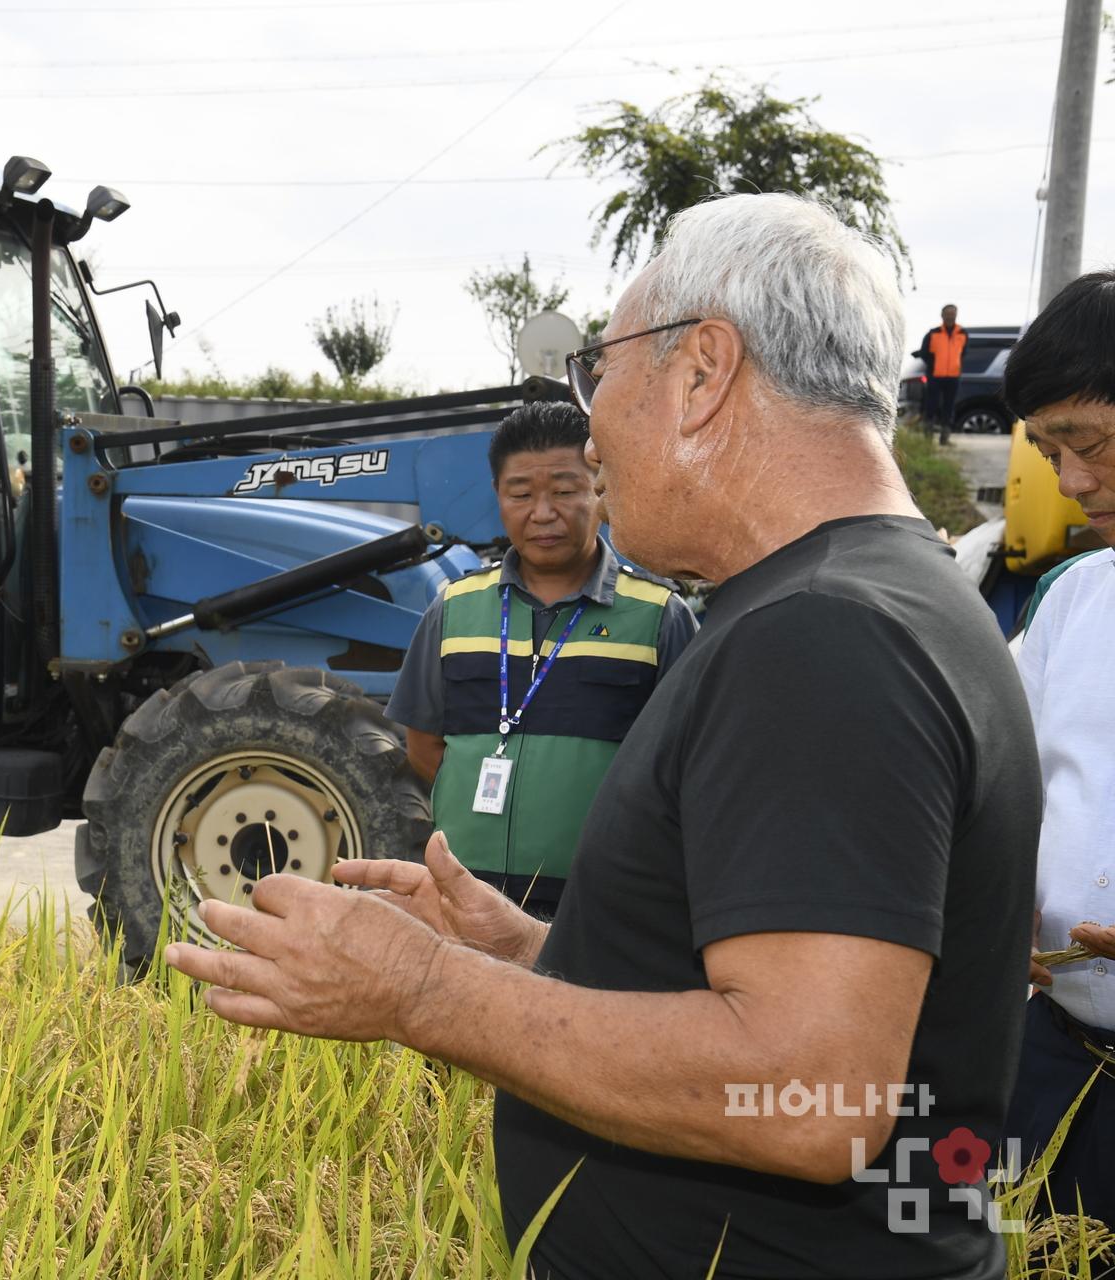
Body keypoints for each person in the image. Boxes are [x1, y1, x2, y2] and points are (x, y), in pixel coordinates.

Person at [166, 194, 1039, 1279]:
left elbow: (818, 1096)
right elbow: (783, 998)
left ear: (703, 372)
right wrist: (533, 952)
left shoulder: (827, 637)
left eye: (601, 371)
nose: (589, 426)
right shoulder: (883, 601)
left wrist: (424, 991)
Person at [385, 400, 696, 918]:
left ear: (598, 489)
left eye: (565, 491)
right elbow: (424, 745)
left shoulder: (659, 616)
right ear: (498, 498)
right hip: (464, 896)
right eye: (522, 494)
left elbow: (685, 769)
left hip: (601, 904)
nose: (543, 513)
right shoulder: (454, 608)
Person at [998, 269, 1115, 1239]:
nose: (1073, 483)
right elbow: (1001, 780)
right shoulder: (1074, 598)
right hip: (1058, 1055)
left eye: (1091, 444)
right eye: (1050, 453)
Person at [914, 303, 966, 444]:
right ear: (942, 315)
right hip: (935, 376)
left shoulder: (962, 333)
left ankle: (945, 437)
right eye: (947, 313)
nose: (950, 316)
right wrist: (933, 365)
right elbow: (924, 353)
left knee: (949, 407)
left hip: (953, 377)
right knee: (931, 405)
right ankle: (928, 437)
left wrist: (955, 366)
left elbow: (963, 353)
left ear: (956, 315)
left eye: (953, 313)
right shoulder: (933, 333)